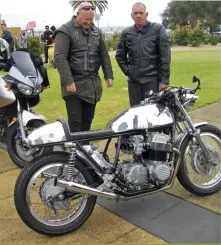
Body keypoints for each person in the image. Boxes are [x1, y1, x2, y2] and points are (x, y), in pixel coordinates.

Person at [54, 2, 113, 134]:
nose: (89, 22)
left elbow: (104, 55)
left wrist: (108, 75)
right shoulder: (65, 30)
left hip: (92, 85)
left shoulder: (96, 32)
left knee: (87, 120)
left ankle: (84, 148)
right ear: (78, 14)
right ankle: (74, 151)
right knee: (75, 122)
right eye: (86, 19)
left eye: (91, 19)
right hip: (73, 84)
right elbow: (59, 58)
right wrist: (68, 81)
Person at [116, 2, 171, 107]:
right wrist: (129, 71)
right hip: (134, 82)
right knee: (136, 112)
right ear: (132, 16)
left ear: (146, 14)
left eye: (141, 13)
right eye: (135, 13)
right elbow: (120, 56)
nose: (138, 15)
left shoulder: (158, 29)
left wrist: (164, 80)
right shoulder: (126, 33)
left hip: (152, 80)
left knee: (153, 112)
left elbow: (165, 56)